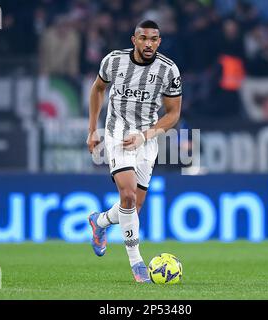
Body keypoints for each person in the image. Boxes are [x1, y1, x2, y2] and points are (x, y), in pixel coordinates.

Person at [86, 20, 182, 283]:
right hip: (117, 132)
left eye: (153, 39)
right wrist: (93, 129)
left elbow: (173, 114)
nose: (148, 43)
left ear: (159, 42)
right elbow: (98, 89)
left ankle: (101, 221)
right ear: (134, 40)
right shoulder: (113, 61)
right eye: (143, 38)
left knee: (134, 207)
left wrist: (146, 135)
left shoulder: (168, 69)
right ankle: (137, 264)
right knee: (127, 194)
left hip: (146, 137)